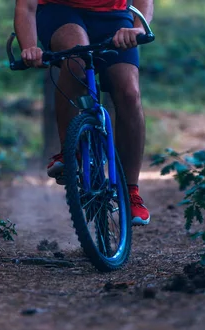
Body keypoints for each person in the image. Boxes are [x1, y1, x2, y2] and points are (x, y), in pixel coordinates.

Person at [14, 0, 153, 226]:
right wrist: (29, 46)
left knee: (129, 93)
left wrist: (138, 27)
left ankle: (130, 191)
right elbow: (26, 6)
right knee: (76, 60)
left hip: (113, 17)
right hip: (60, 12)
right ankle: (68, 153)